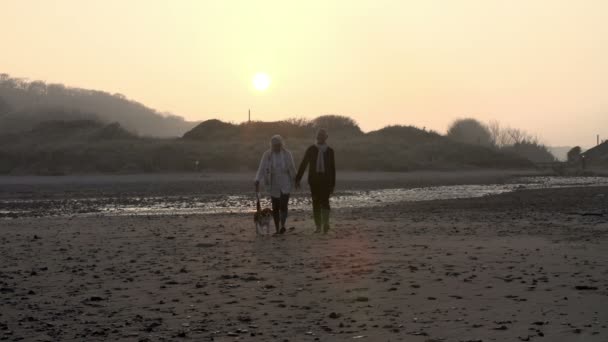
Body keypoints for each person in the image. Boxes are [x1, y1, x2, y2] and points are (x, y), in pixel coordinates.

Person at [295, 129, 336, 233]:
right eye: (318, 137)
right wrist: (298, 179)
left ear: (325, 138)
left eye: (322, 137)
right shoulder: (311, 149)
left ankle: (325, 224)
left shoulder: (330, 151)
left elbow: (332, 168)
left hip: (326, 181)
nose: (320, 139)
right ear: (316, 138)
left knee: (325, 202)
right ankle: (318, 226)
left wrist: (333, 184)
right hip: (314, 181)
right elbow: (304, 164)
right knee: (316, 203)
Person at [255, 135, 297, 234]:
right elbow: (261, 168)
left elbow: (292, 168)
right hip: (273, 182)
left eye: (278, 145)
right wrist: (257, 179)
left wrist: (296, 180)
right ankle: (278, 229)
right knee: (275, 207)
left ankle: (283, 225)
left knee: (284, 205)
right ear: (271, 145)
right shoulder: (267, 155)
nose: (276, 147)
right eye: (274, 145)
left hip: (285, 181)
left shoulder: (287, 154)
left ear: (281, 145)